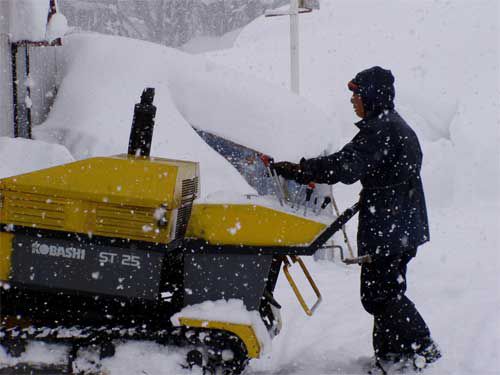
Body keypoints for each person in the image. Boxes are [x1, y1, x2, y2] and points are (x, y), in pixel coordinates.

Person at [272, 66, 441, 371]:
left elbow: (346, 167)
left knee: (381, 294)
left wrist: (302, 170)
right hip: (398, 224)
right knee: (384, 292)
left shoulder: (382, 131)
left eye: (356, 93)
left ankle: (422, 347)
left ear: (373, 96)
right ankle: (392, 357)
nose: (352, 100)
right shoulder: (392, 125)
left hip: (392, 226)